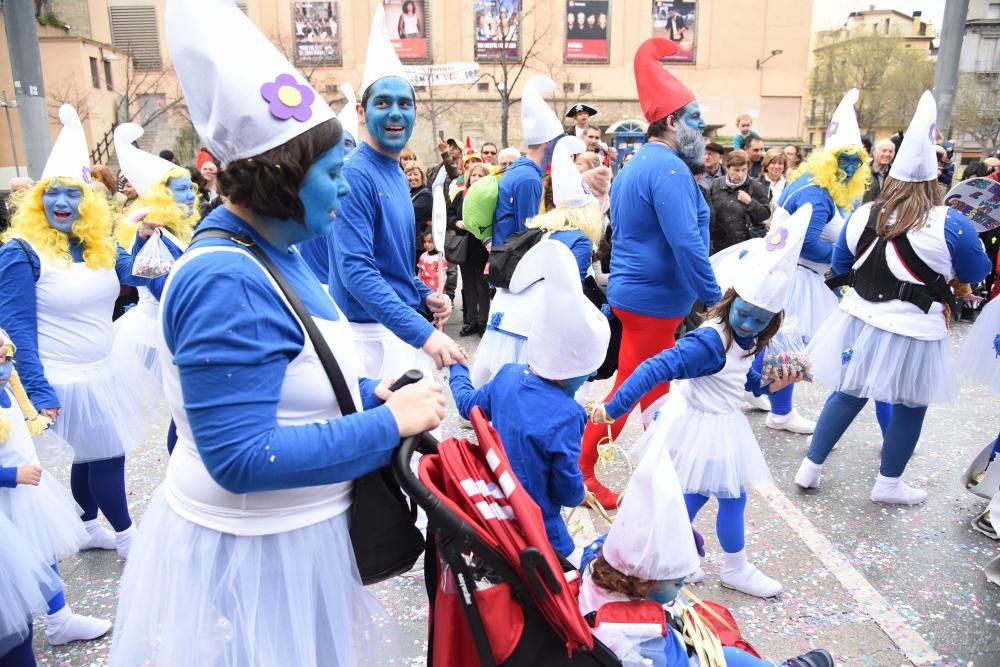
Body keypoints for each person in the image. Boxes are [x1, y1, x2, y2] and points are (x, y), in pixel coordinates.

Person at [110, 2, 445, 663]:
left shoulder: (279, 248)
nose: (346, 188)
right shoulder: (225, 281)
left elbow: (289, 368)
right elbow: (241, 458)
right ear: (282, 175)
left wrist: (361, 394)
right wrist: (389, 423)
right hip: (261, 555)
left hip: (291, 541)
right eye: (332, 173)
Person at [595, 206, 812, 597]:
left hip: (714, 421)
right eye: (744, 313)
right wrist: (614, 406)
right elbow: (653, 368)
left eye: (761, 320)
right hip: (704, 424)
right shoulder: (710, 341)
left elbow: (741, 383)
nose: (749, 324)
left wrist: (772, 384)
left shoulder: (746, 337)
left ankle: (676, 556)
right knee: (731, 495)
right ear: (731, 300)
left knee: (693, 494)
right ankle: (734, 567)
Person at [798, 92, 991, 505]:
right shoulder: (951, 224)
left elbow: (840, 260)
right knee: (910, 404)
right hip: (915, 329)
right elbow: (978, 272)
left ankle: (810, 467)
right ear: (935, 178)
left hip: (860, 318)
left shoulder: (865, 213)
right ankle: (888, 484)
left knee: (849, 392)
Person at [0, 105, 155, 562]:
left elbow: (138, 276)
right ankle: (129, 538)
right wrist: (38, 386)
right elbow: (16, 329)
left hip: (104, 369)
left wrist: (145, 236)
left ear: (86, 201)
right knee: (108, 451)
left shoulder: (97, 244)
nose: (62, 202)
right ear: (38, 200)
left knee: (91, 454)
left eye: (72, 193)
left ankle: (87, 526)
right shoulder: (21, 253)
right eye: (52, 194)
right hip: (60, 376)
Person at [579, 38, 721, 509]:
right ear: (672, 122)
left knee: (654, 388)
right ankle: (581, 471)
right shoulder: (670, 171)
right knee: (632, 387)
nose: (701, 129)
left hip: (641, 297)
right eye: (695, 119)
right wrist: (716, 298)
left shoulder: (638, 164)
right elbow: (686, 243)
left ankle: (662, 470)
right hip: (653, 302)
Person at [578, 411, 834, 667]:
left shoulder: (598, 562)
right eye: (677, 583)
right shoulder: (643, 633)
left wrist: (669, 530)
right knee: (731, 656)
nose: (681, 589)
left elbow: (613, 539)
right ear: (645, 581)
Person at [327, 6, 465, 380]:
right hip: (369, 342)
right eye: (383, 103)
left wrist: (423, 294)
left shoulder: (395, 171)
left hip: (396, 333)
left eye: (404, 104)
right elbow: (356, 270)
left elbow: (395, 266)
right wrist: (424, 334)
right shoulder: (355, 174)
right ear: (361, 110)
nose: (395, 113)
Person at [452, 241, 608, 562]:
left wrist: (456, 368)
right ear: (572, 366)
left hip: (498, 507)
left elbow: (468, 405)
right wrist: (580, 492)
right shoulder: (568, 413)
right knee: (565, 569)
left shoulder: (508, 376)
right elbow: (565, 485)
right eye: (587, 372)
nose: (589, 377)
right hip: (539, 524)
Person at [744, 89, 873, 435]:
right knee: (788, 342)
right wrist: (845, 260)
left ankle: (760, 393)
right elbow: (806, 244)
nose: (851, 167)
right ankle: (779, 410)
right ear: (830, 160)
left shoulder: (821, 187)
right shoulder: (816, 191)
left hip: (793, 273)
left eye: (857, 160)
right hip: (797, 275)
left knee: (776, 340)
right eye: (845, 159)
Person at [0, 326, 114, 647]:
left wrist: (36, 413)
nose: (4, 367)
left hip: (27, 493)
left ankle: (58, 617)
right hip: (7, 497)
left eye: (6, 358)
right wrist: (11, 475)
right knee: (11, 571)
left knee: (42, 548)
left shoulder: (7, 388)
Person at [472, 136, 603, 386]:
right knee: (526, 387)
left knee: (486, 377)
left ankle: (473, 413)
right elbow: (570, 293)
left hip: (506, 310)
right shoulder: (580, 240)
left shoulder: (539, 229)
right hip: (535, 323)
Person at [110, 123, 201, 455]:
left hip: (181, 328)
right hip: (166, 331)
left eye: (190, 187)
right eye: (181, 190)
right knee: (184, 415)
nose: (191, 194)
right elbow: (160, 286)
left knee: (185, 415)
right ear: (162, 197)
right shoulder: (154, 236)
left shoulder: (183, 232)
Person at [491, 76, 565, 249]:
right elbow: (527, 234)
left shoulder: (520, 168)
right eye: (558, 140)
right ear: (548, 142)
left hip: (504, 257)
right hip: (512, 263)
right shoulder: (529, 178)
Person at [449, 162, 491, 336]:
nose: (476, 178)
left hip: (482, 246)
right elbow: (449, 214)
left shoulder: (489, 196)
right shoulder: (461, 196)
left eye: (480, 175)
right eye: (474, 175)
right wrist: (457, 223)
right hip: (465, 246)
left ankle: (483, 323)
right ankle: (470, 321)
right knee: (468, 286)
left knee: (482, 286)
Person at [707, 149, 771, 251]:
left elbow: (765, 214)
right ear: (727, 168)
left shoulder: (756, 186)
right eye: (736, 170)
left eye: (744, 170)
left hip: (745, 245)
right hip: (719, 245)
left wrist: (750, 202)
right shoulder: (716, 184)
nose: (740, 174)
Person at [406, 163, 432, 263]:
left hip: (420, 244)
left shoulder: (425, 195)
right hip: (411, 242)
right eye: (409, 174)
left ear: (422, 175)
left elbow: (408, 213)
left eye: (415, 174)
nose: (412, 178)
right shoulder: (410, 192)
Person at [863, 138, 895, 204]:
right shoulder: (863, 171)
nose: (887, 154)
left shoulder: (895, 175)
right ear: (874, 152)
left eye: (890, 151)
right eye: (884, 150)